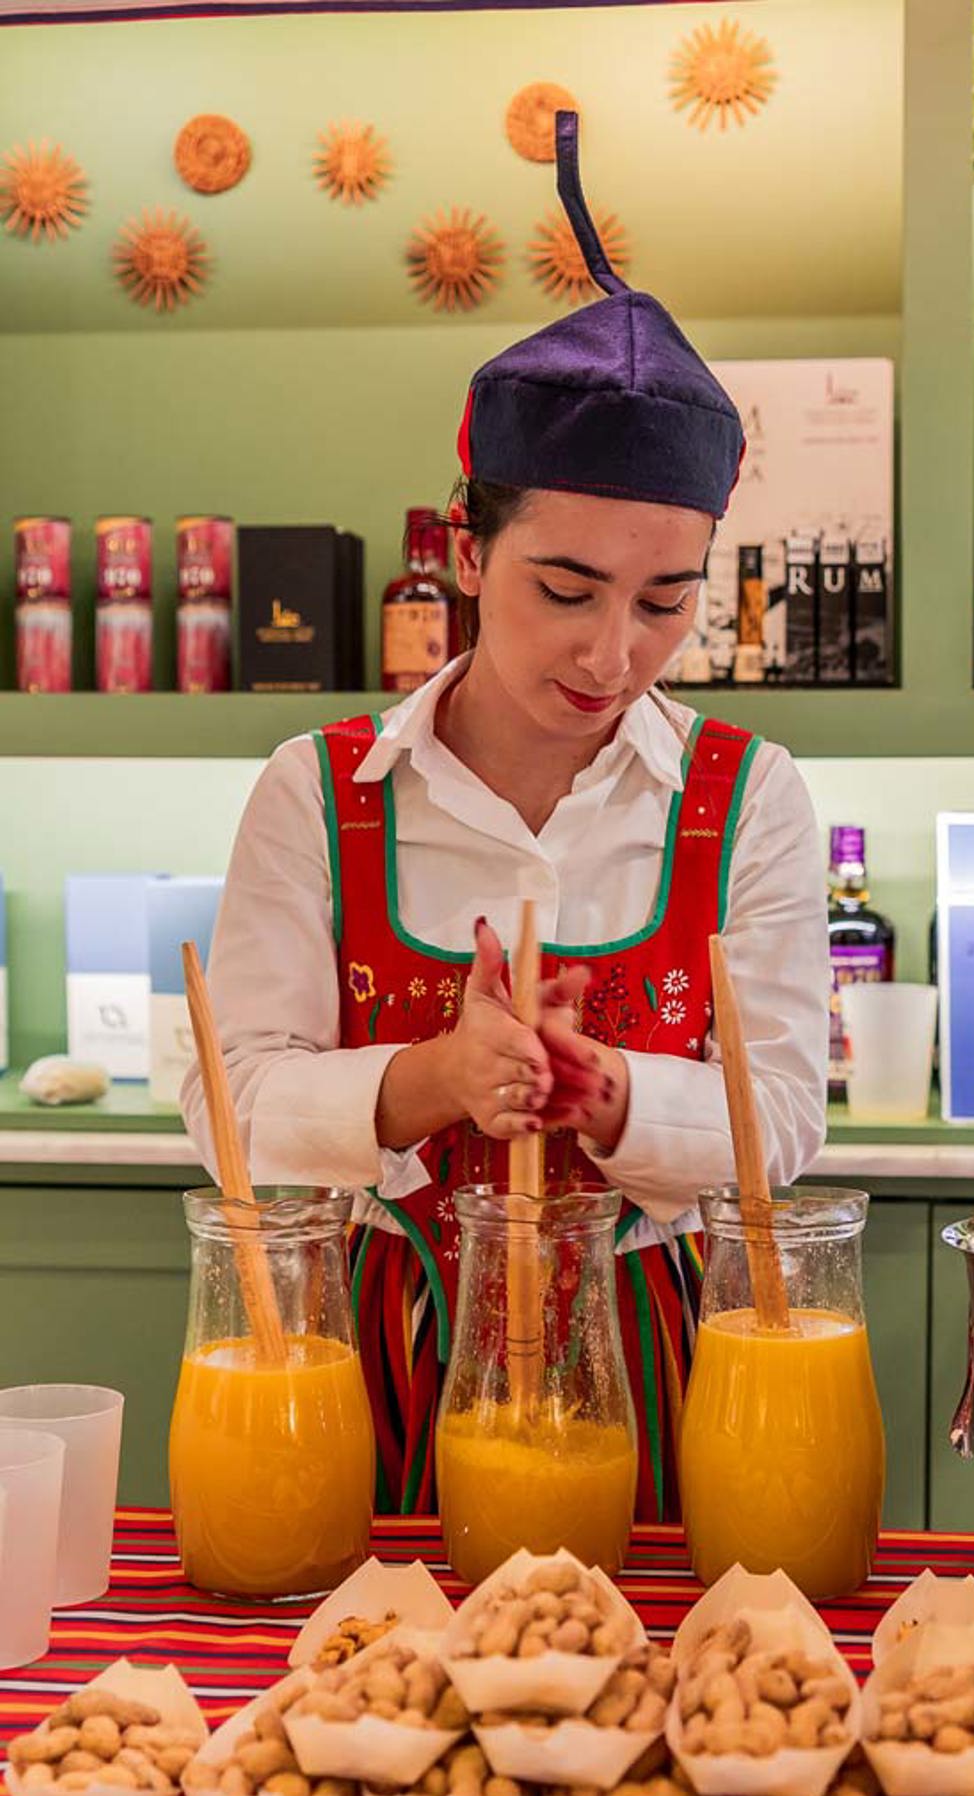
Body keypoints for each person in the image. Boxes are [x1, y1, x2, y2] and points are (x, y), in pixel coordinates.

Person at [182, 114, 829, 1523]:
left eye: (667, 602)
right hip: (375, 1359)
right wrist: (428, 1080)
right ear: (469, 551)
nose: (611, 655)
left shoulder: (749, 799)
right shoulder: (320, 790)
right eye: (564, 586)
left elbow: (781, 1120)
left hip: (656, 1359)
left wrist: (609, 1099)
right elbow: (227, 1097)